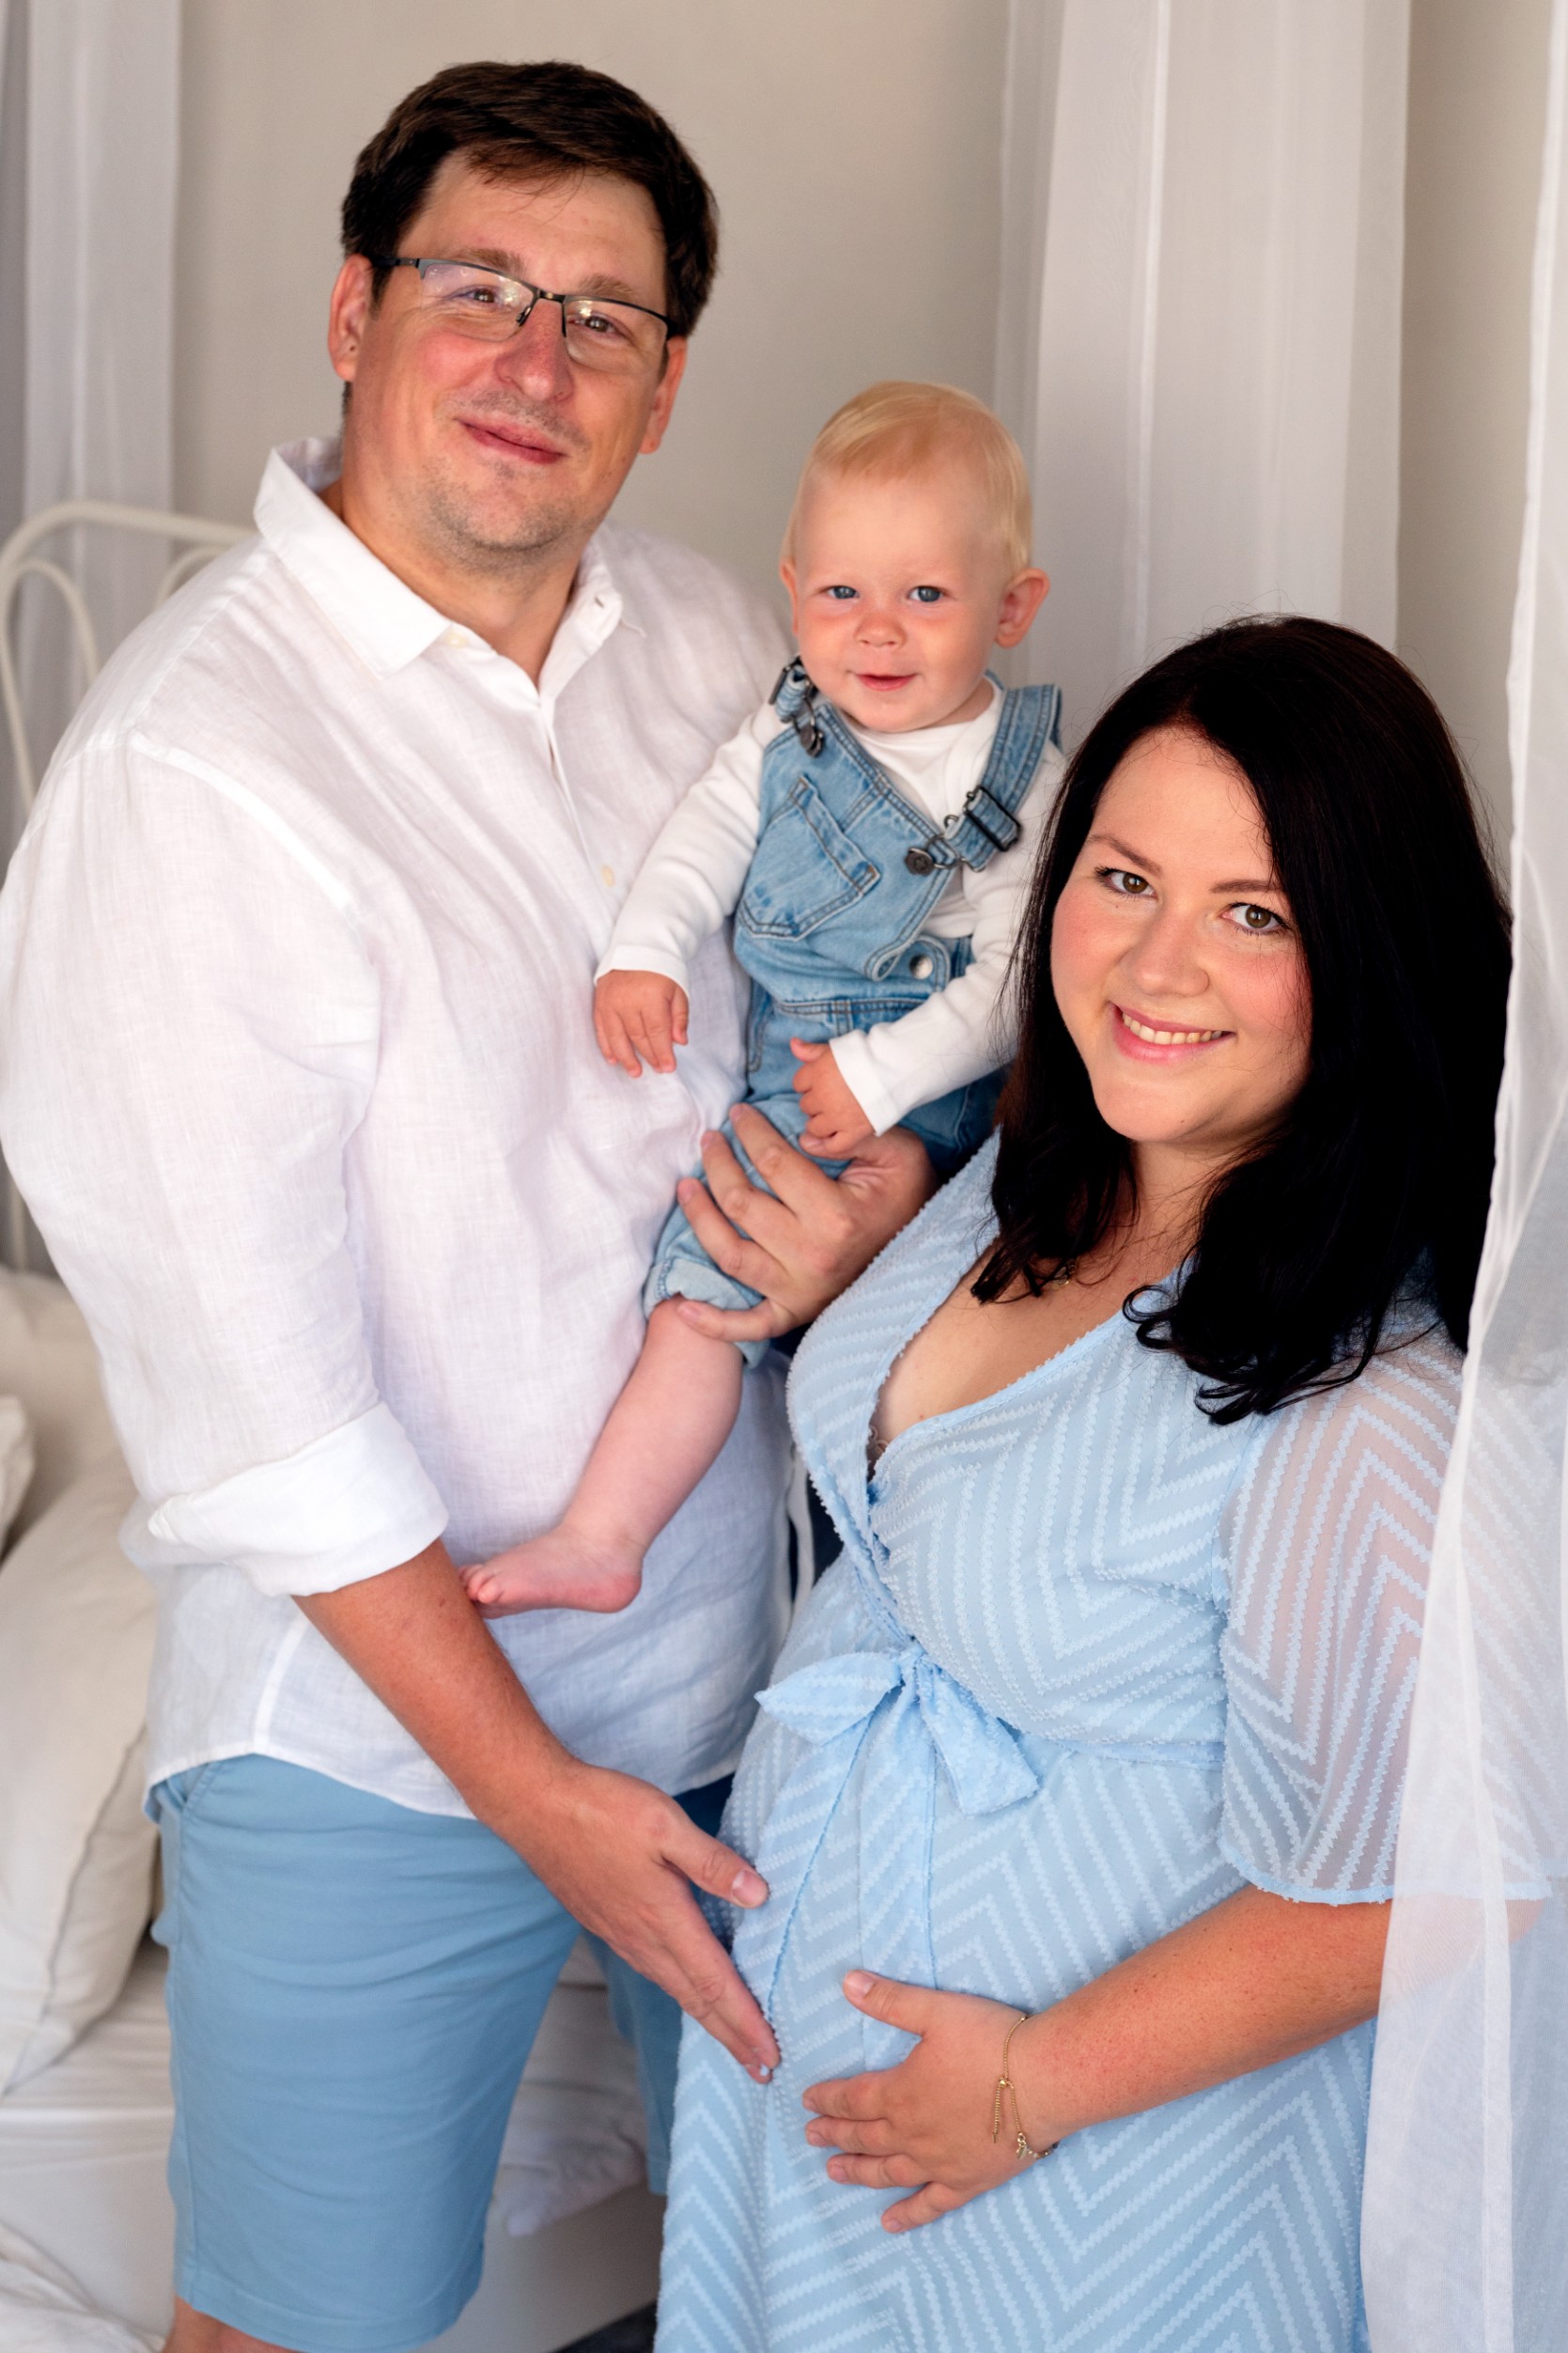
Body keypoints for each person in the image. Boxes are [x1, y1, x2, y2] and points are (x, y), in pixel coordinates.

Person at [0, 60, 931, 2353]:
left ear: (665, 387)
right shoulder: (190, 775)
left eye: (603, 318)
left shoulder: (721, 650)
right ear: (355, 314)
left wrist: (877, 1203)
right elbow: (263, 1423)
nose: (537, 359)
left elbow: (883, 1009)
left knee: (812, 2286)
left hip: (749, 1677)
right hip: (377, 1734)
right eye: (478, 289)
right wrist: (537, 1795)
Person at [655, 616, 1512, 2352]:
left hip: (1100, 2192)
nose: (1155, 963)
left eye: (1256, 915)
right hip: (823, 2115)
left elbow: (1430, 1889)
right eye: (1122, 880)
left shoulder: (1365, 1407)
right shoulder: (1026, 1178)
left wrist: (1030, 2086)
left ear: (1369, 955)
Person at [464, 382, 1062, 1617]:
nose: (877, 633)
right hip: (797, 1082)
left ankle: (855, 1583)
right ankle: (615, 1540)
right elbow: (702, 838)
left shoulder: (1023, 779)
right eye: (841, 594)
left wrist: (883, 1081)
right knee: (715, 1298)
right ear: (792, 591)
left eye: (926, 596)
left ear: (1011, 607)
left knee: (849, 1328)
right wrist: (644, 951)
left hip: (931, 1091)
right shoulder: (787, 730)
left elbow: (1019, 982)